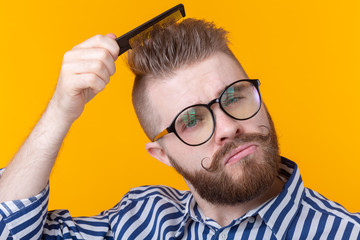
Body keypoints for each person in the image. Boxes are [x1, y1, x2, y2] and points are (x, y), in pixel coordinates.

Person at [0, 18, 359, 239]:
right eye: (192, 120)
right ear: (162, 154)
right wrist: (61, 111)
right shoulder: (139, 222)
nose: (229, 128)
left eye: (234, 97)